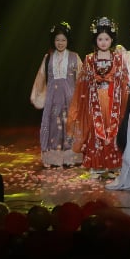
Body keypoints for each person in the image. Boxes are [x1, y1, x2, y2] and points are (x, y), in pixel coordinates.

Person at [67, 16, 130, 176]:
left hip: (112, 100)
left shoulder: (118, 58)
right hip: (94, 100)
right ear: (95, 40)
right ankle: (97, 165)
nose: (103, 42)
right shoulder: (89, 59)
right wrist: (93, 81)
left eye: (106, 39)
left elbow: (124, 80)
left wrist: (114, 82)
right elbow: (82, 82)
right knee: (96, 130)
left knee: (112, 129)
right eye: (100, 39)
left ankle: (113, 164)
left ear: (112, 40)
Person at [30, 21, 83, 167]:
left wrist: (82, 98)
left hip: (70, 98)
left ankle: (71, 157)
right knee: (54, 126)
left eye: (63, 40)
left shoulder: (74, 57)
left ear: (68, 41)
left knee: (70, 126)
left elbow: (82, 78)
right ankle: (54, 158)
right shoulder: (48, 57)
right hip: (52, 99)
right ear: (53, 41)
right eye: (57, 40)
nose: (60, 43)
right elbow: (41, 77)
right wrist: (37, 95)